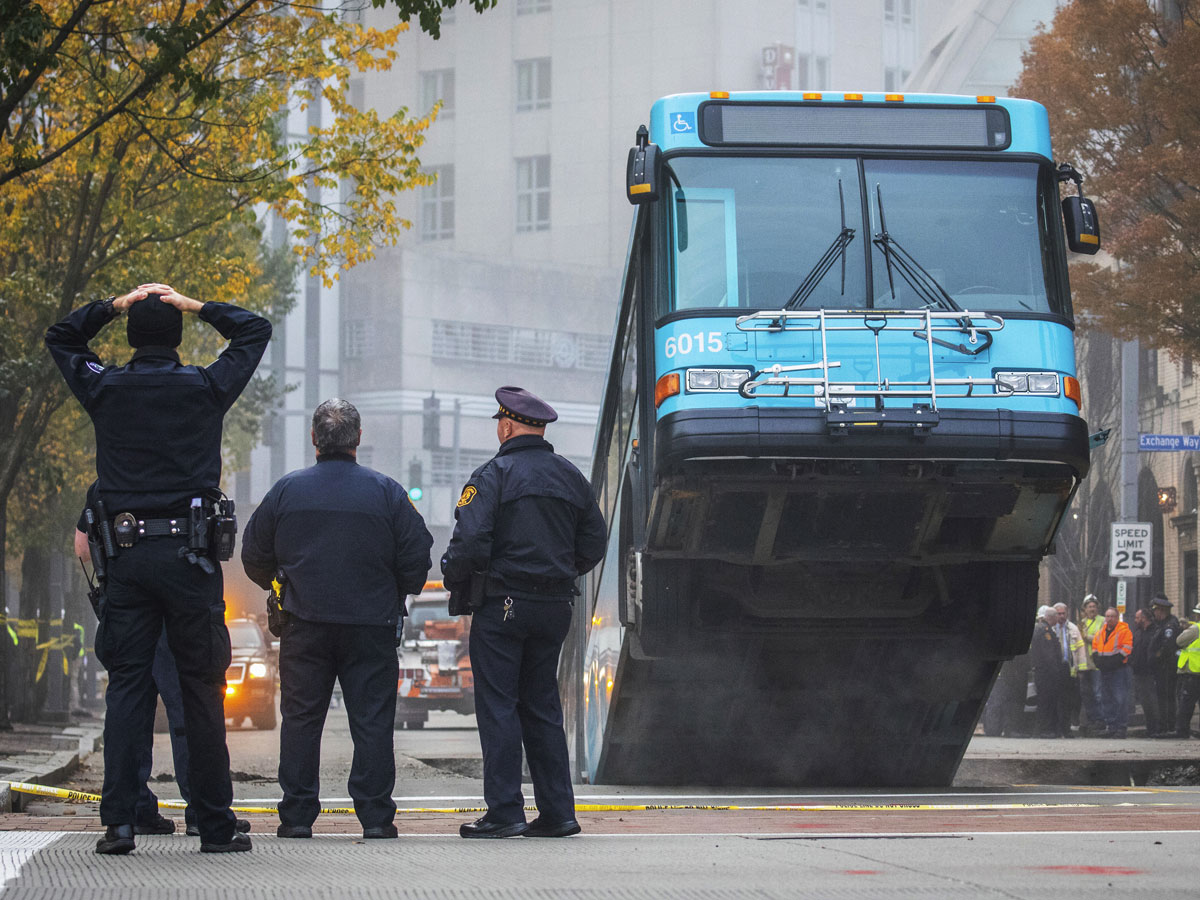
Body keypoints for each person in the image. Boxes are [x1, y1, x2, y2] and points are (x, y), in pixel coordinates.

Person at [46, 284, 270, 854]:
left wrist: (113, 304)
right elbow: (254, 330)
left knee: (126, 688)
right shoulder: (205, 387)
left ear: (128, 336)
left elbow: (61, 336)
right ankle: (215, 825)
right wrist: (196, 305)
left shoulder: (104, 387)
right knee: (200, 688)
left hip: (127, 560)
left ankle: (119, 825)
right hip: (190, 561)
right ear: (178, 337)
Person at [241, 399, 433, 839]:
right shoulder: (387, 492)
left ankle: (296, 816)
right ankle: (376, 818)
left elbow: (253, 555)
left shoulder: (287, 491)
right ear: (358, 439)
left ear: (314, 439)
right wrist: (393, 591)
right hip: (371, 627)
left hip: (304, 625)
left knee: (302, 720)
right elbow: (417, 556)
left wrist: (283, 584)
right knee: (372, 722)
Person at [442, 386, 606, 838]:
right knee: (542, 705)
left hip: (504, 606)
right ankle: (558, 813)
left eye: (499, 422)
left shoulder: (493, 475)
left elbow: (470, 543)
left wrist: (455, 577)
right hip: (554, 607)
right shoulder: (571, 477)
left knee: (499, 706)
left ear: (508, 426)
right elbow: (595, 541)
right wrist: (558, 572)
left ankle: (505, 812)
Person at [1091, 606, 1133, 738]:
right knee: (1106, 699)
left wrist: (1113, 662)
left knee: (1120, 699)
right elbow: (1094, 648)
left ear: (1117, 617)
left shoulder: (1124, 631)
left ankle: (1121, 728)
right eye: (1107, 616)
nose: (1109, 619)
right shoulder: (1101, 632)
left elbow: (1126, 649)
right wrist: (1098, 662)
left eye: (1112, 616)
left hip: (1118, 669)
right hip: (1104, 670)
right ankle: (1111, 726)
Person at [1030, 605, 1070, 738]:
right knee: (1046, 702)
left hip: (1043, 672)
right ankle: (1044, 730)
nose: (1058, 619)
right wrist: (1056, 672)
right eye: (1056, 616)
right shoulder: (1045, 631)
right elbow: (1049, 655)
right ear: (1051, 618)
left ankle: (1043, 730)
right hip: (1046, 674)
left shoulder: (1042, 629)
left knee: (1045, 702)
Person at [1147, 594, 1181, 734]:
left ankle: (1168, 726)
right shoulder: (1160, 624)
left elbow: (1167, 647)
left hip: (1167, 668)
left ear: (1162, 610)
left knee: (1167, 698)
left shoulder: (1169, 626)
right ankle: (1164, 725)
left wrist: (1156, 657)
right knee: (1162, 697)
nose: (1154, 613)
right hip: (1161, 668)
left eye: (1156, 610)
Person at [1054, 602, 1086, 730]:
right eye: (1059, 613)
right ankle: (1057, 726)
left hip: (1070, 671)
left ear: (1067, 613)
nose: (1061, 616)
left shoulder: (1073, 628)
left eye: (1063, 613)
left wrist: (1081, 669)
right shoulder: (1051, 628)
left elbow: (1080, 649)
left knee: (1069, 700)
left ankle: (1067, 726)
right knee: (1057, 700)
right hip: (1056, 670)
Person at [1076, 595, 1105, 733]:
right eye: (1089, 607)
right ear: (1085, 609)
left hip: (1097, 663)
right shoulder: (1081, 623)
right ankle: (1091, 719)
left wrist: (1087, 637)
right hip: (1084, 663)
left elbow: (1102, 637)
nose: (1092, 609)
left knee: (1098, 693)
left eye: (1094, 606)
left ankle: (1100, 720)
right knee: (1087, 694)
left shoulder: (1103, 621)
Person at [1130, 608, 1160, 736]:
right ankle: (1150, 727)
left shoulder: (1155, 632)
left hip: (1150, 672)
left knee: (1153, 701)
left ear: (1143, 618)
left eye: (1137, 618)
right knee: (1145, 702)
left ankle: (1157, 727)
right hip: (1138, 672)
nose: (1135, 620)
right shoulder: (1137, 633)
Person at [1172, 606, 1200, 738]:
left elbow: (1179, 641)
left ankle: (1182, 731)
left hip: (1193, 673)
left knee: (1186, 704)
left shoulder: (1195, 629)